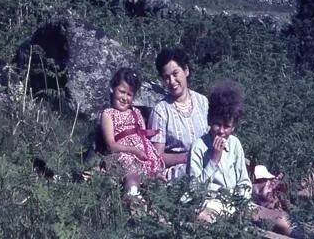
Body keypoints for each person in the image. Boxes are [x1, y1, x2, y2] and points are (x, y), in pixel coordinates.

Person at [188, 80, 293, 235]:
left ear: (234, 127)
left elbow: (243, 181)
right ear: (210, 121)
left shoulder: (235, 144)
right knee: (203, 218)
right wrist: (213, 160)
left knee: (284, 222)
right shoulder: (199, 147)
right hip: (211, 204)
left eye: (227, 126)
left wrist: (240, 202)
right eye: (217, 124)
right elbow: (194, 189)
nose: (221, 131)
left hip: (237, 204)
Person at [100, 67, 165, 196]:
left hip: (143, 152)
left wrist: (148, 153)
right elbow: (111, 145)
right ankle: (132, 196)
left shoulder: (136, 112)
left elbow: (142, 136)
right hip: (124, 153)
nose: (125, 98)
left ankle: (157, 196)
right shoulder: (108, 114)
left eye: (129, 94)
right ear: (113, 89)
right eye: (122, 92)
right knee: (132, 173)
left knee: (155, 172)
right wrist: (134, 150)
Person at [148, 47, 209, 180]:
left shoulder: (203, 102)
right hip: (179, 172)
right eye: (166, 77)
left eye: (175, 74)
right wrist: (187, 158)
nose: (172, 81)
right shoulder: (161, 111)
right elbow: (156, 157)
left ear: (186, 70)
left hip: (207, 163)